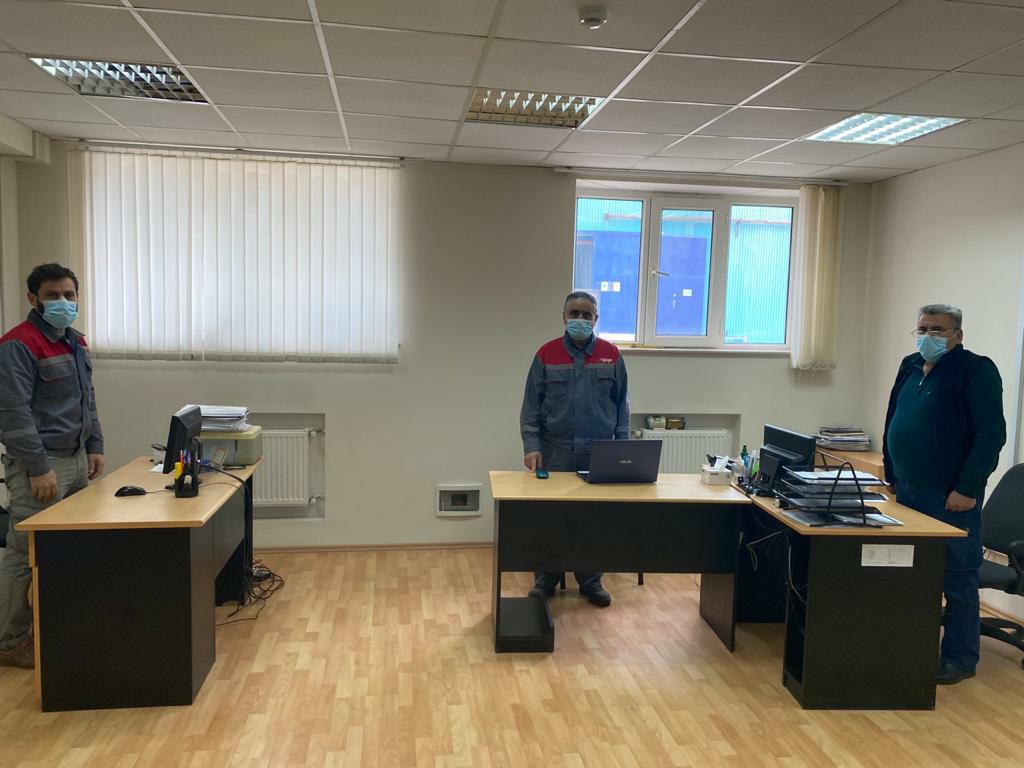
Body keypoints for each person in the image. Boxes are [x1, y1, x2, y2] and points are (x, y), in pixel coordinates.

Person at [883, 303, 1005, 685]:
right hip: (907, 489)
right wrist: (890, 471)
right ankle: (909, 645)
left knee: (957, 577)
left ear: (958, 335)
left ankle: (960, 657)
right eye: (922, 329)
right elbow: (893, 417)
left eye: (938, 330)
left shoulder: (976, 371)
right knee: (910, 574)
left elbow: (991, 436)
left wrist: (967, 488)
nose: (928, 336)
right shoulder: (910, 365)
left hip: (950, 496)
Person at [0, 263, 105, 668]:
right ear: (33, 298)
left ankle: (59, 626)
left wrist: (94, 445)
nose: (63, 302)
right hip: (42, 466)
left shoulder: (75, 341)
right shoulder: (18, 345)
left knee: (70, 548)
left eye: (69, 295)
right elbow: (13, 414)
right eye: (53, 295)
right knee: (24, 553)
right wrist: (37, 467)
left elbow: (86, 399)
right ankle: (9, 641)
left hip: (76, 459)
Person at [520, 291, 629, 607]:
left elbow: (622, 405)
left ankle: (590, 580)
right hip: (556, 451)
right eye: (574, 314)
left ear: (596, 319)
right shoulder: (547, 354)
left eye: (586, 314)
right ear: (564, 316)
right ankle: (546, 579)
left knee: (593, 520)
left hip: (599, 452)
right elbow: (531, 406)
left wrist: (622, 449)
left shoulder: (611, 355)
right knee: (551, 517)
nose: (580, 319)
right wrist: (531, 445)